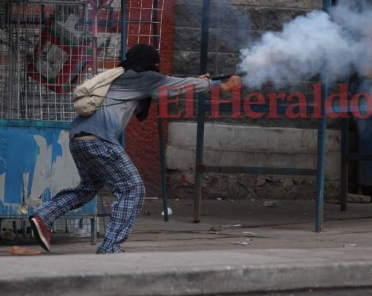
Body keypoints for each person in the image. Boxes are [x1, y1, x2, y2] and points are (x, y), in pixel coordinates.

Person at [29, 43, 241, 254]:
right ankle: (110, 247)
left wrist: (200, 81)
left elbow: (167, 86)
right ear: (149, 65)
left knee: (88, 188)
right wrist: (217, 86)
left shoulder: (122, 77)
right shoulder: (143, 78)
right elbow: (172, 85)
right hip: (99, 140)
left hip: (79, 139)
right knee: (133, 189)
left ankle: (44, 215)